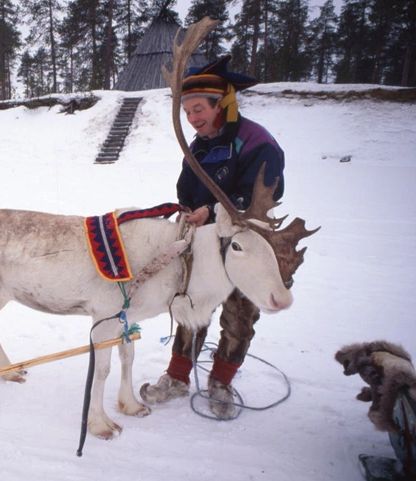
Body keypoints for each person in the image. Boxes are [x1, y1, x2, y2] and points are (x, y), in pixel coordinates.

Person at [139, 55, 285, 419]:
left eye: (198, 109)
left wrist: (218, 210)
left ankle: (221, 382)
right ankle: (176, 377)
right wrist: (189, 209)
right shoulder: (198, 146)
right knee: (192, 305)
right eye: (187, 112)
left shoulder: (256, 140)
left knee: (239, 314)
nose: (193, 119)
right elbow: (186, 188)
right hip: (204, 242)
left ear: (221, 103)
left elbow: (265, 192)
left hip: (245, 244)